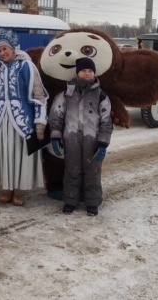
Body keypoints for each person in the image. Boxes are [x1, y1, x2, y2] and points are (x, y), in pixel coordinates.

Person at [0, 29, 48, 206]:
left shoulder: (26, 65)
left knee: (20, 153)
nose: (2, 53)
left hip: (22, 119)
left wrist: (40, 122)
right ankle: (6, 187)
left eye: (5, 49)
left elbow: (39, 94)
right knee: (5, 151)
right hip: (1, 119)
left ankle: (20, 189)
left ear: (13, 48)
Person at [48, 57, 113, 216]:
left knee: (93, 172)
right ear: (78, 72)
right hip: (71, 140)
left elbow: (106, 121)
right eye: (84, 70)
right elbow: (57, 116)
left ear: (94, 73)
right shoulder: (66, 94)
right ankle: (70, 200)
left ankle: (92, 202)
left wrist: (103, 143)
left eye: (90, 71)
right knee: (72, 170)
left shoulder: (101, 95)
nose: (87, 73)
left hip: (92, 141)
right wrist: (56, 136)